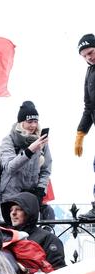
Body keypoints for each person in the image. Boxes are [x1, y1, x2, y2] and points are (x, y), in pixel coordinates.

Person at [0, 101, 51, 219]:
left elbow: (46, 169)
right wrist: (30, 150)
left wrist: (41, 190)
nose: (33, 125)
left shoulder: (41, 141)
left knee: (30, 235)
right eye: (29, 122)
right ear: (21, 122)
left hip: (30, 198)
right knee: (9, 235)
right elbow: (10, 167)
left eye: (35, 122)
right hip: (9, 198)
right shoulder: (9, 140)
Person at [1, 192, 66, 270]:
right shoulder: (7, 237)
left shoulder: (48, 239)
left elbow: (57, 270)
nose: (13, 213)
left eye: (18, 209)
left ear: (29, 211)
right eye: (11, 210)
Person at [74, 34, 95, 219]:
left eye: (91, 52)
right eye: (85, 56)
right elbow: (89, 107)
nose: (89, 57)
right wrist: (81, 133)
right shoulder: (90, 73)